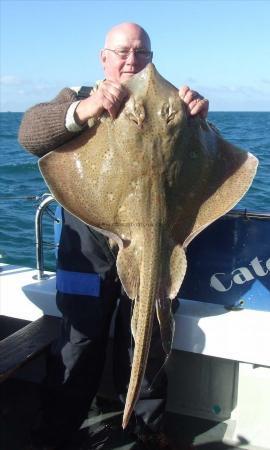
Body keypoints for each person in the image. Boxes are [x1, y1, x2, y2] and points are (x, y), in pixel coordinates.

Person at [19, 22, 209, 450]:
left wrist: (197, 122)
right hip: (85, 244)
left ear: (151, 58)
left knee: (149, 336)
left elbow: (213, 163)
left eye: (141, 53)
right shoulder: (77, 94)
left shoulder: (173, 105)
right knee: (79, 338)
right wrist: (83, 111)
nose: (131, 60)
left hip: (156, 243)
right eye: (122, 51)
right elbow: (30, 133)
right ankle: (58, 429)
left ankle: (144, 429)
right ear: (103, 58)